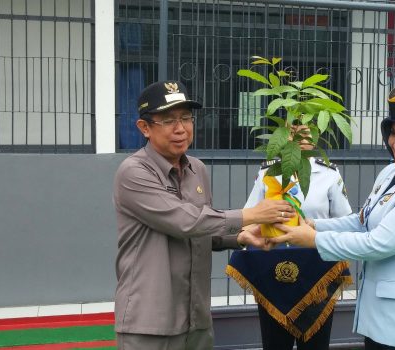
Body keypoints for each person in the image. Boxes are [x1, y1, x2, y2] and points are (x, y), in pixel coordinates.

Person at [272, 80, 395, 350]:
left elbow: (378, 242)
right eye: (393, 133)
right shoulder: (392, 172)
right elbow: (362, 221)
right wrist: (315, 224)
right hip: (384, 322)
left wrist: (313, 239)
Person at [113, 80, 295, 350]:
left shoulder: (197, 169)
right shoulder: (134, 172)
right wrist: (253, 214)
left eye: (186, 118)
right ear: (144, 128)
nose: (180, 129)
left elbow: (203, 230)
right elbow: (185, 222)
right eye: (168, 120)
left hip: (196, 318)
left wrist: (243, 237)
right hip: (149, 321)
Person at [242, 125, 353, 350]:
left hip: (316, 272)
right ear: (284, 135)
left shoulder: (329, 174)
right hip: (275, 270)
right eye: (294, 131)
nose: (302, 136)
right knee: (275, 343)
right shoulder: (269, 172)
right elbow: (250, 216)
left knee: (315, 343)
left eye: (309, 130)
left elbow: (345, 221)